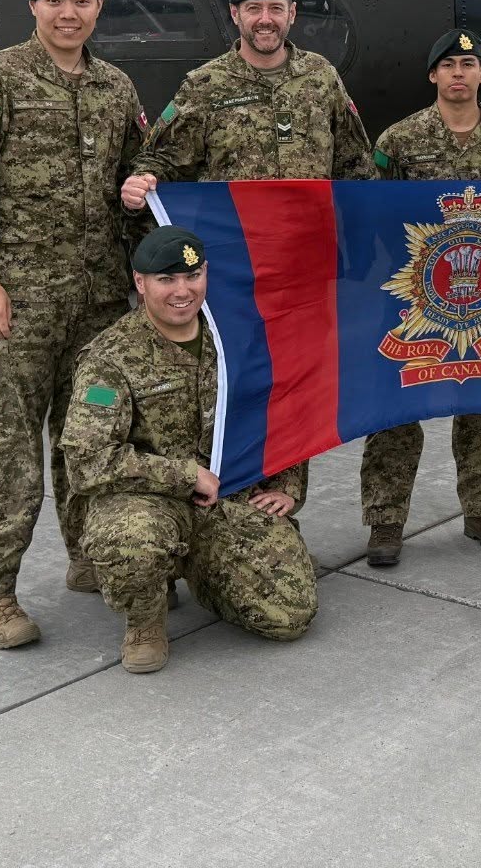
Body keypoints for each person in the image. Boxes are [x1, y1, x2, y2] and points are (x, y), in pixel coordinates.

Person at [0, 0, 145, 650]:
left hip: (97, 302)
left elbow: (134, 185)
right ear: (34, 7)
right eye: (55, 1)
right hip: (16, 303)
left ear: (98, 9)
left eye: (81, 2)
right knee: (7, 448)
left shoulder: (115, 88)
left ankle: (89, 557)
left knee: (91, 435)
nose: (69, 13)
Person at [61, 227, 316, 673]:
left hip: (228, 497)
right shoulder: (110, 358)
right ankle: (145, 622)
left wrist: (289, 482)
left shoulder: (235, 337)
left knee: (288, 616)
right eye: (166, 279)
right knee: (130, 542)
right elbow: (87, 459)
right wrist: (184, 475)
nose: (182, 291)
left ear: (206, 273)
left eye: (193, 276)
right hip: (146, 499)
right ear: (140, 282)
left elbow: (281, 408)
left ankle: (201, 564)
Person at [362, 29, 481, 567]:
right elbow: (367, 209)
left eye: (468, 63)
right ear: (433, 75)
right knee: (394, 405)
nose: (458, 73)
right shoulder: (398, 140)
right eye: (448, 65)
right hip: (411, 297)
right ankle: (386, 519)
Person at [120, 0, 371, 205]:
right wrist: (142, 180)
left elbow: (356, 163)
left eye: (276, 8)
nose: (266, 19)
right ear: (235, 14)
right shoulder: (205, 84)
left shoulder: (321, 75)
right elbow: (162, 160)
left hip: (310, 229)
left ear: (292, 13)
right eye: (254, 9)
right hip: (238, 232)